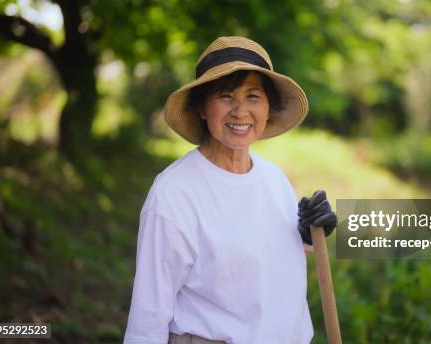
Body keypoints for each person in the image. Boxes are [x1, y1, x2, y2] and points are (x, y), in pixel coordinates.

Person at [123, 36, 337, 344]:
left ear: (268, 108)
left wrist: (305, 235)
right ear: (201, 107)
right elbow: (148, 313)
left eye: (252, 96)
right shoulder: (174, 192)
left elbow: (258, 261)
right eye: (225, 96)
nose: (240, 111)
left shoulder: (274, 179)